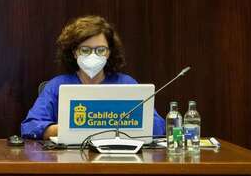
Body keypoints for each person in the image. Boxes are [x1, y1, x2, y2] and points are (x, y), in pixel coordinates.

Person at [21, 15, 166, 139]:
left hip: (116, 157)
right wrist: (69, 129)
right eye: (85, 50)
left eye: (100, 50)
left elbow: (159, 127)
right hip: (69, 158)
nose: (93, 55)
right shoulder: (57, 86)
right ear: (75, 52)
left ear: (109, 53)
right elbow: (29, 127)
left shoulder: (127, 84)